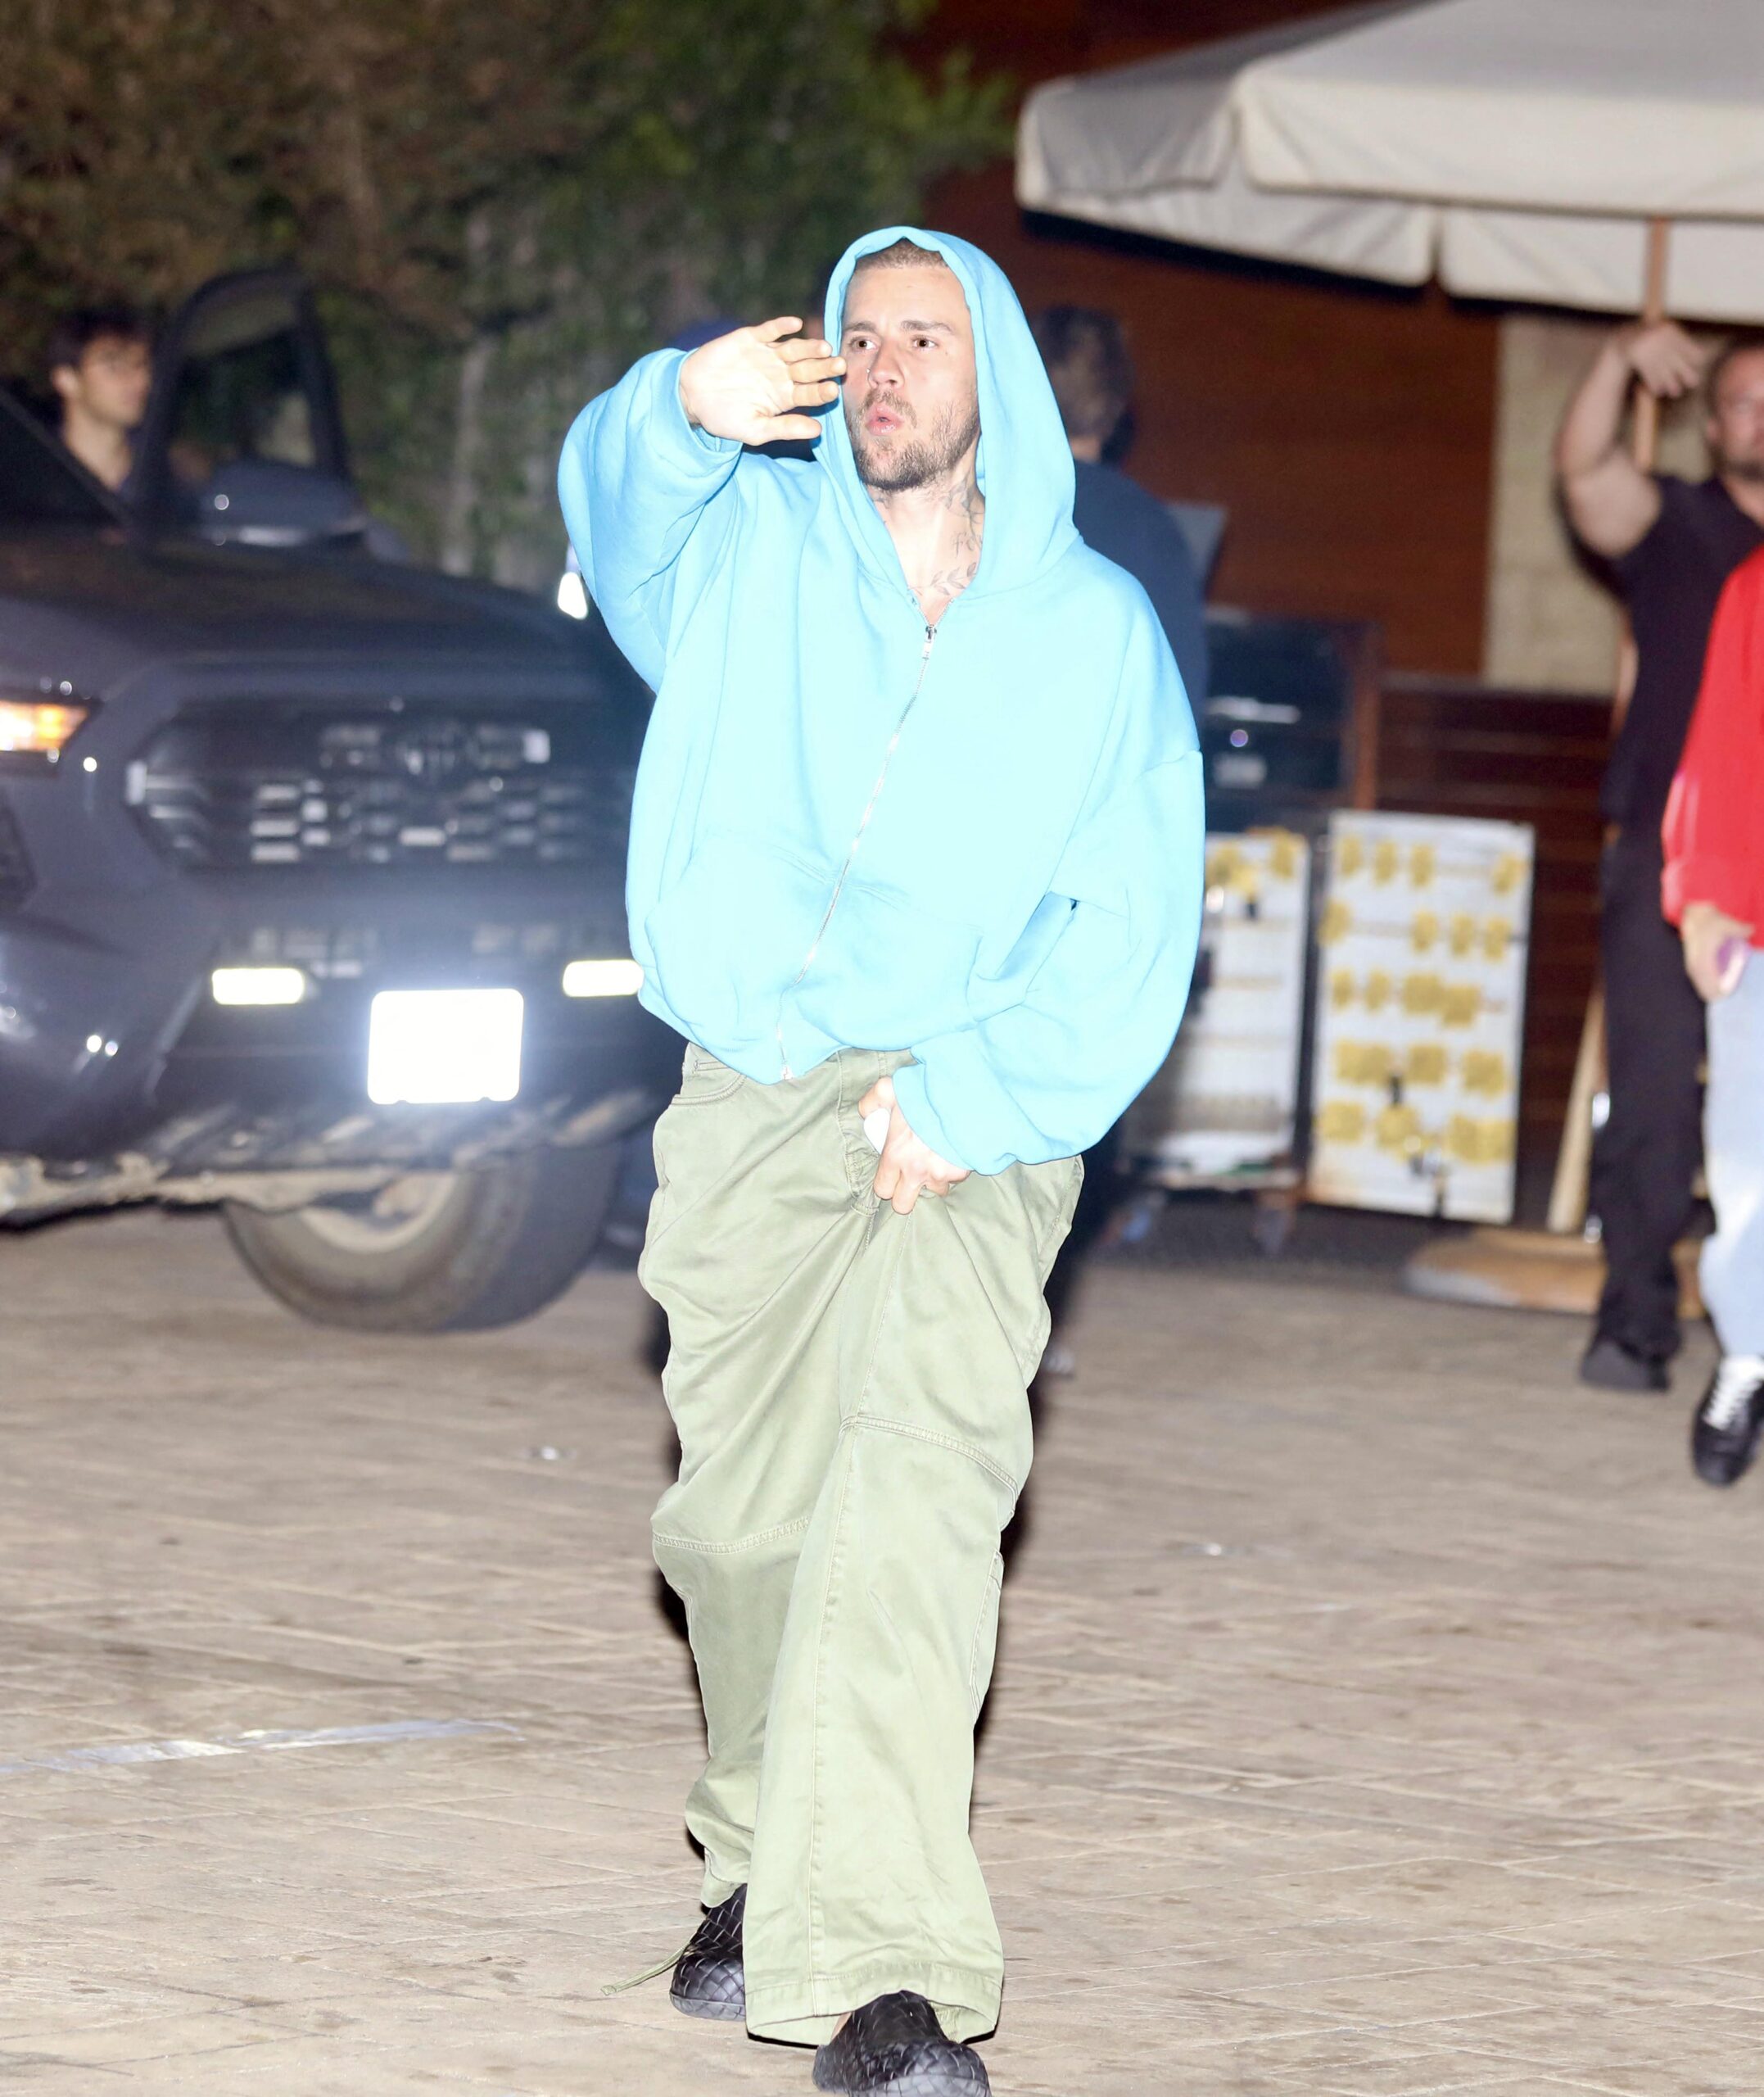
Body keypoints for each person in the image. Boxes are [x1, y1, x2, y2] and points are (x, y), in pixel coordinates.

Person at [559, 227, 1201, 2094]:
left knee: (915, 1484)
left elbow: (1136, 921)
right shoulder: (744, 547)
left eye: (929, 332)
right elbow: (612, 526)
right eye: (862, 335)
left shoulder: (1090, 631)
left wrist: (983, 1097)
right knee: (745, 1522)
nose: (890, 361)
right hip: (751, 1068)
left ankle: (885, 1972)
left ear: (995, 371)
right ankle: (762, 1854)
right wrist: (675, 409)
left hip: (969, 1091)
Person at [1555, 324, 1764, 1393]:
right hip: (1668, 854)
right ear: (1709, 419)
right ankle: (1633, 1321)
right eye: (1741, 399)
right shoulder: (1675, 523)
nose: (1759, 417)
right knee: (1650, 1093)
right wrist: (1612, 365)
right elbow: (1584, 473)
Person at [1029, 303, 1209, 1373]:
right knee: (1065, 1085)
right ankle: (1025, 1299)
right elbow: (1178, 711)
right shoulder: (1148, 531)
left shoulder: (980, 506)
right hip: (1096, 848)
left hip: (987, 845)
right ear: (1118, 404)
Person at [1661, 549, 1764, 1484]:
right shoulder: (1755, 585)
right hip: (1761, 923)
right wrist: (1705, 899)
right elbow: (1723, 746)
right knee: (1749, 1162)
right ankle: (1749, 1352)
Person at [46, 306, 152, 494]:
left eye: (141, 364)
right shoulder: (29, 480)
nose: (140, 380)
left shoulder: (168, 479)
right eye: (115, 367)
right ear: (67, 379)